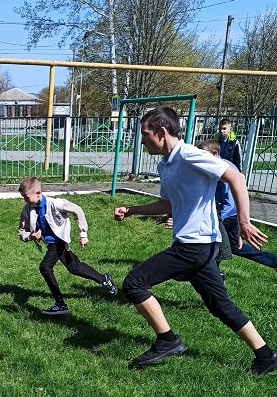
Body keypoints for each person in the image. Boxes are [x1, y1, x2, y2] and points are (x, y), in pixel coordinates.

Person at [114, 106, 276, 375]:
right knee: (220, 305)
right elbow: (167, 203)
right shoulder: (165, 164)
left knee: (134, 283)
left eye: (145, 134)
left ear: (161, 132)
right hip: (195, 245)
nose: (142, 141)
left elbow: (236, 177)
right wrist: (132, 210)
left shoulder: (190, 155)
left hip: (195, 245)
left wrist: (244, 222)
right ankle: (266, 356)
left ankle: (167, 340)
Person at [18, 176, 117, 316]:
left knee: (45, 267)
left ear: (38, 193)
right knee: (74, 267)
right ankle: (104, 279)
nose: (25, 200)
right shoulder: (28, 209)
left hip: (59, 241)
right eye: (23, 197)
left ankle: (60, 304)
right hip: (51, 243)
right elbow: (22, 230)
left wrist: (83, 234)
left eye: (27, 197)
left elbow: (78, 210)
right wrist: (30, 236)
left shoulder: (56, 203)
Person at [200, 138, 277, 271]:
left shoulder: (219, 170)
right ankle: (274, 261)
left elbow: (225, 199)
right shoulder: (227, 164)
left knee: (211, 245)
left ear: (215, 153)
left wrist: (219, 220)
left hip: (225, 216)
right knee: (235, 247)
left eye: (203, 154)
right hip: (234, 214)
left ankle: (213, 275)